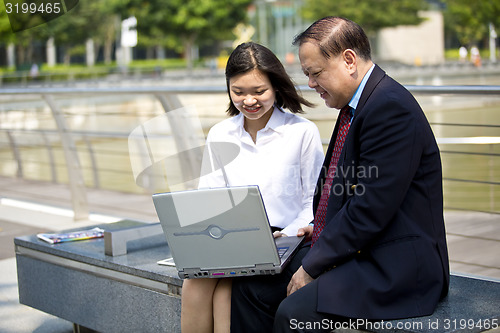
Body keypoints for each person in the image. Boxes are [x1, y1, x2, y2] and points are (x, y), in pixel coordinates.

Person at [231, 17, 450, 332]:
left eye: (315, 73)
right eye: (306, 74)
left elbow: (370, 208)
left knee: (295, 314)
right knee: (250, 289)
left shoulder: (389, 108)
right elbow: (347, 190)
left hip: (395, 264)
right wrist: (315, 228)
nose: (310, 84)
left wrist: (311, 267)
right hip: (361, 248)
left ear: (349, 60)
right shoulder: (359, 105)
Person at [181, 42, 324, 333]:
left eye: (259, 91)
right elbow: (209, 197)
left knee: (226, 293)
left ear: (276, 86)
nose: (249, 100)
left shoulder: (301, 133)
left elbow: (316, 200)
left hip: (286, 238)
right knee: (194, 282)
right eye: (239, 92)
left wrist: (288, 232)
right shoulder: (220, 133)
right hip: (233, 237)